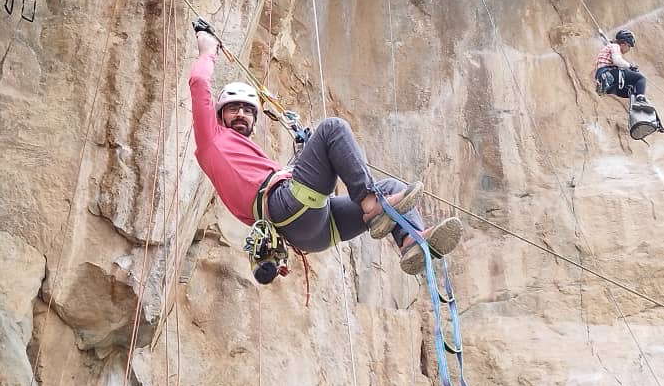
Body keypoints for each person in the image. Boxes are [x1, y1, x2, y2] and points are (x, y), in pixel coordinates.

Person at [190, 25, 462, 275]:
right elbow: (199, 83)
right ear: (219, 116)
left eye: (248, 110)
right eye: (233, 109)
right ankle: (370, 203)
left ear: (254, 121)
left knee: (392, 188)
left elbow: (283, 183)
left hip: (314, 231)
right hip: (288, 210)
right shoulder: (211, 140)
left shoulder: (247, 158)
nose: (241, 114)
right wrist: (207, 48)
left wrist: (304, 152)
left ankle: (410, 241)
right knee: (333, 129)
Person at [593, 29, 654, 112]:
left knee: (630, 90)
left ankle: (635, 105)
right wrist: (630, 66)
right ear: (623, 43)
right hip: (608, 72)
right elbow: (617, 61)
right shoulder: (615, 46)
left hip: (602, 75)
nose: (629, 49)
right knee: (640, 78)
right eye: (629, 46)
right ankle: (640, 100)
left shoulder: (610, 46)